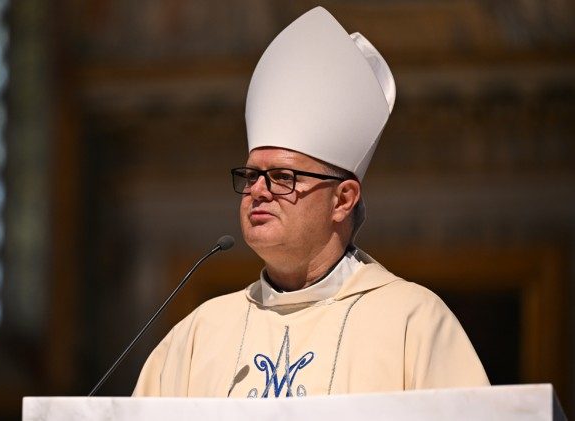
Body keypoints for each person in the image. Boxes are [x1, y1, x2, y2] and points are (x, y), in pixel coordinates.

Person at [133, 6, 489, 398]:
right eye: (251, 175)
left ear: (343, 200)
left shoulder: (413, 322)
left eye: (282, 177)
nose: (258, 190)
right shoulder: (199, 335)